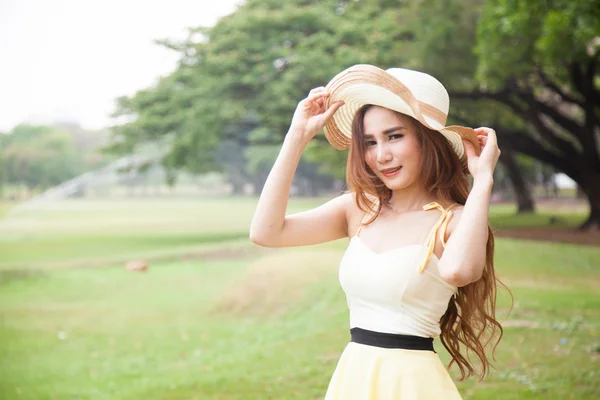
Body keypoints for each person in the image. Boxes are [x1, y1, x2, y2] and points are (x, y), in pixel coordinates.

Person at [249, 64, 507, 399]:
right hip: (355, 376)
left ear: (428, 140)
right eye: (370, 142)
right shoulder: (359, 209)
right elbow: (266, 232)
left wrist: (483, 179)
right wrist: (297, 137)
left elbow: (460, 271)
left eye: (394, 136)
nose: (380, 155)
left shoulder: (456, 219)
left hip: (412, 384)